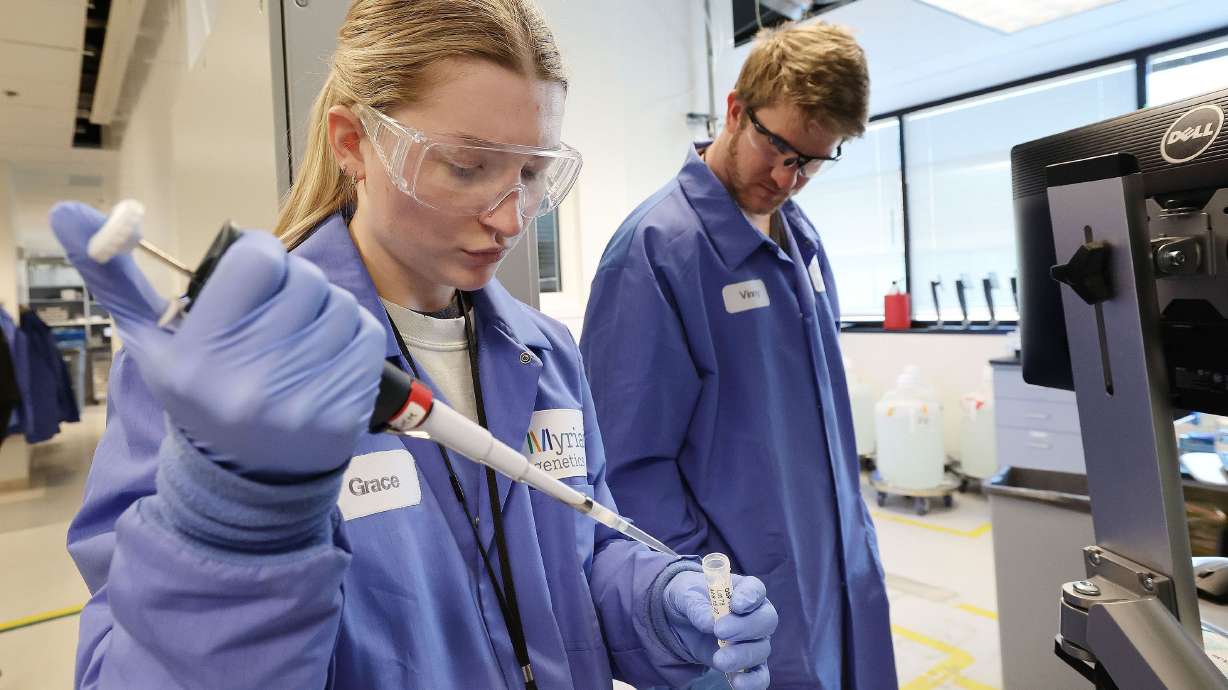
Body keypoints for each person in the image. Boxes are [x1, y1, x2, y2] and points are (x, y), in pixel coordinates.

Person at [55, 1, 778, 688]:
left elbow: (578, 563)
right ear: (353, 145)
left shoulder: (546, 353)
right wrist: (233, 526)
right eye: (467, 166)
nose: (510, 216)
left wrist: (658, 603)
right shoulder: (221, 379)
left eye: (531, 173)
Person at [581, 20, 896, 689]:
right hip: (741, 604)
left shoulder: (800, 240)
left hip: (835, 570)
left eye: (812, 160)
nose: (787, 176)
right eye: (777, 147)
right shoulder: (658, 250)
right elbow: (629, 467)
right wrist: (708, 592)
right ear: (733, 110)